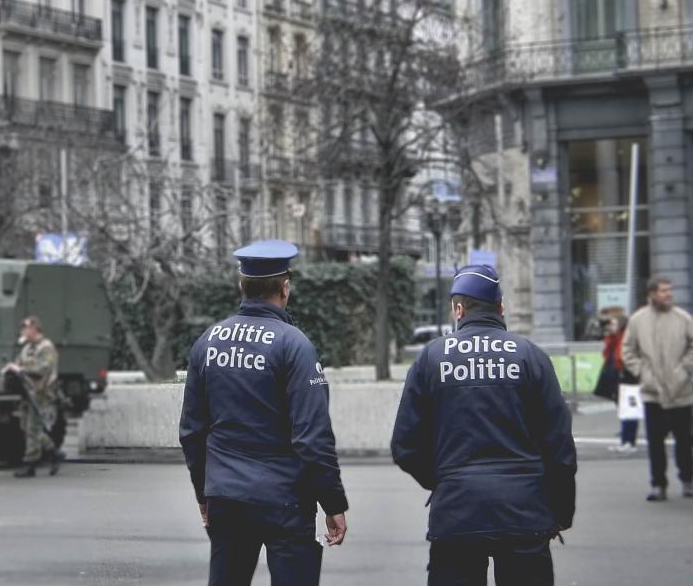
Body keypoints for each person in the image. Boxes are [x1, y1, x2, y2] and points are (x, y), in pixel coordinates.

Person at [391, 264, 577, 586]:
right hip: (524, 513)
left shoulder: (431, 358)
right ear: (501, 308)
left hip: (456, 514)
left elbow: (405, 445)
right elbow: (559, 446)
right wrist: (560, 511)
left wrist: (446, 480)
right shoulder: (530, 356)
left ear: (458, 309)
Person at [179, 240, 349, 586]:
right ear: (284, 288)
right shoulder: (294, 344)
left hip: (225, 495)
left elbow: (191, 431)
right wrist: (333, 503)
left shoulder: (208, 341)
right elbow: (312, 438)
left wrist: (204, 494)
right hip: (284, 500)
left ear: (242, 286)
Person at [621, 275, 693, 502]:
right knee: (655, 445)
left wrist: (684, 370)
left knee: (685, 442)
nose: (668, 294)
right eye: (663, 291)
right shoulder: (638, 320)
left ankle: (688, 481)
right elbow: (628, 351)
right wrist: (643, 373)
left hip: (682, 393)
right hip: (652, 394)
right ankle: (658, 484)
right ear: (651, 294)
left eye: (669, 290)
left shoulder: (682, 318)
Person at [2, 316, 64, 478]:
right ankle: (53, 452)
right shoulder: (27, 348)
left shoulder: (46, 347)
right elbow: (19, 363)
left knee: (32, 428)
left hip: (42, 393)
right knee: (27, 427)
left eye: (26, 328)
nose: (23, 331)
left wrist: (21, 370)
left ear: (35, 329)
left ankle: (30, 464)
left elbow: (44, 368)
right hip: (28, 392)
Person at [600, 313, 639, 454]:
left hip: (627, 377)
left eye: (613, 323)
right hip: (617, 376)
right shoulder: (614, 338)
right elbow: (606, 353)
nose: (611, 326)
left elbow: (624, 356)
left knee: (628, 409)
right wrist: (610, 336)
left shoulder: (625, 337)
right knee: (623, 409)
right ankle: (625, 438)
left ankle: (629, 440)